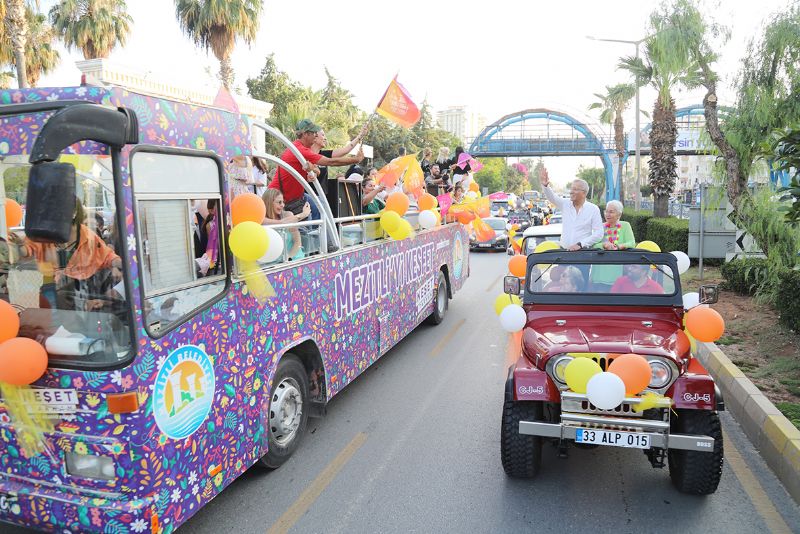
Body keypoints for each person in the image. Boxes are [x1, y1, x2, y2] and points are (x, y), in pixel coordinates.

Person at [13, 198, 122, 312]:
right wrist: (16, 250)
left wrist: (121, 264)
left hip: (79, 290)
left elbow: (107, 256)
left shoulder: (87, 236)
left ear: (74, 213)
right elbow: (28, 248)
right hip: (51, 290)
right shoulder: (43, 232)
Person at [268, 119, 363, 219]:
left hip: (296, 197)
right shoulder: (300, 150)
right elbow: (331, 162)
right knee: (307, 223)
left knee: (320, 210)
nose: (316, 135)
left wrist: (313, 170)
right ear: (305, 134)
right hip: (280, 198)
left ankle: (319, 232)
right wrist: (355, 160)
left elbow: (317, 170)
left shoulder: (303, 149)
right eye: (314, 133)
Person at [539, 168, 603, 251]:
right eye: (571, 189)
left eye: (575, 189)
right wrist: (545, 186)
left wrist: (580, 244)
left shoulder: (593, 209)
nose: (571, 192)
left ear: (584, 193)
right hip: (564, 253)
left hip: (583, 253)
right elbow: (552, 198)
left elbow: (599, 233)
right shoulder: (565, 204)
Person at [590, 200, 637, 291]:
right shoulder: (600, 227)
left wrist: (619, 246)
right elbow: (593, 245)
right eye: (606, 211)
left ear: (619, 214)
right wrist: (603, 245)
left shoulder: (625, 226)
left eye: (611, 212)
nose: (607, 214)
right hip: (599, 275)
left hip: (617, 275)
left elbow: (632, 243)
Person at [262, 188, 307, 260]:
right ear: (269, 203)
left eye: (283, 202)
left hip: (293, 258)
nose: (283, 205)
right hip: (271, 262)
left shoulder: (288, 215)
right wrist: (302, 214)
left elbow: (297, 241)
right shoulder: (262, 219)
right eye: (279, 202)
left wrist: (288, 257)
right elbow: (281, 223)